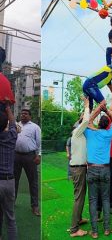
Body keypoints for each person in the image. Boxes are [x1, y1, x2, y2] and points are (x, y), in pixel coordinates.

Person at [84, 105, 112, 238]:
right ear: (107, 125)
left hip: (92, 169)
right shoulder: (109, 133)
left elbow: (86, 122)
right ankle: (106, 229)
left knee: (93, 200)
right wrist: (105, 111)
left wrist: (97, 110)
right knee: (105, 199)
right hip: (105, 169)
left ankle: (94, 231)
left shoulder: (90, 132)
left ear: (98, 123)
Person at [69, 98, 92, 237]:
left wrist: (98, 109)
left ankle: (78, 219)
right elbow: (85, 121)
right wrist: (87, 106)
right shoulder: (77, 132)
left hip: (80, 168)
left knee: (81, 196)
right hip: (78, 168)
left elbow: (87, 121)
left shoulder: (80, 134)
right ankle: (74, 229)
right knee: (79, 198)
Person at [14, 109, 41, 216]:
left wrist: (38, 155)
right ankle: (12, 202)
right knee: (14, 180)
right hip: (16, 156)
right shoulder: (15, 125)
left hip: (30, 156)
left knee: (33, 182)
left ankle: (34, 206)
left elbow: (39, 142)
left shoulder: (35, 127)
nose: (23, 115)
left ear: (30, 116)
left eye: (25, 114)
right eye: (22, 114)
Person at [0, 102, 18, 239]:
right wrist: (7, 108)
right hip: (8, 181)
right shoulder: (11, 137)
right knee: (10, 218)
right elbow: (13, 124)